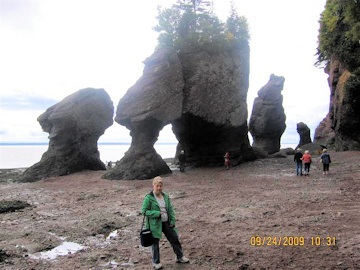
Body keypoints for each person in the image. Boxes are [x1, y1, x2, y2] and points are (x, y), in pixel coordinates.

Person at [141, 176, 189, 269]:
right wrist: (156, 213)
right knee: (155, 243)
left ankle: (180, 257)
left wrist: (172, 220)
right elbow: (144, 211)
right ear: (153, 185)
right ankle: (156, 262)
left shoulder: (165, 196)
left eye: (160, 186)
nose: (159, 188)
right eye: (157, 186)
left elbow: (170, 209)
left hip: (166, 222)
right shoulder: (149, 198)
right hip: (155, 224)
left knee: (174, 239)